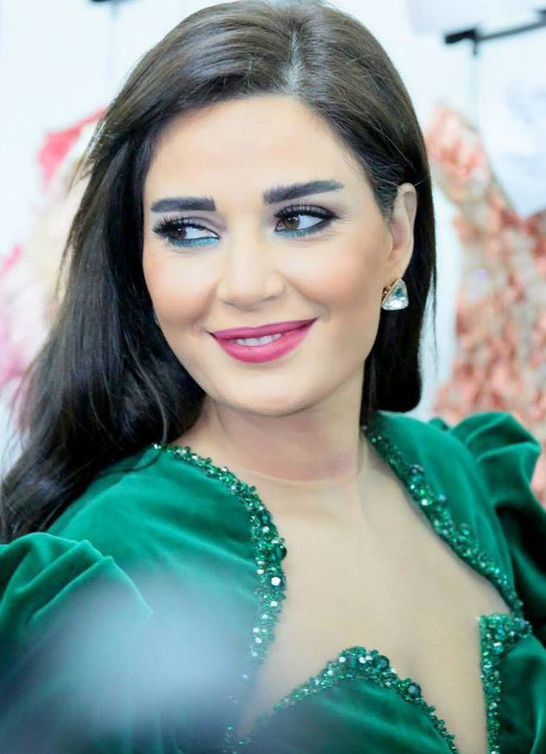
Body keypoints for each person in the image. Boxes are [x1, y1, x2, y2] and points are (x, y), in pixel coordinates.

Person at [0, 1, 544, 752]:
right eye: (188, 231)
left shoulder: (472, 483)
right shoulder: (111, 573)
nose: (247, 285)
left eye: (300, 219)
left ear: (396, 235)